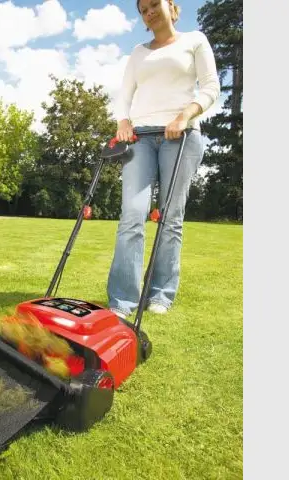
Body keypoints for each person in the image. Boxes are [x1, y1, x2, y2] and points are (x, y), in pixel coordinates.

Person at [107, 0, 220, 319]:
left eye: (154, 4)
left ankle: (160, 294)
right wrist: (123, 122)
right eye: (143, 9)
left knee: (171, 217)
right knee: (132, 213)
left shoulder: (195, 40)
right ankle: (122, 300)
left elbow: (211, 87)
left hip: (181, 136)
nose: (149, 12)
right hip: (140, 138)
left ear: (171, 7)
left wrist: (184, 116)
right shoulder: (139, 53)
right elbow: (124, 95)